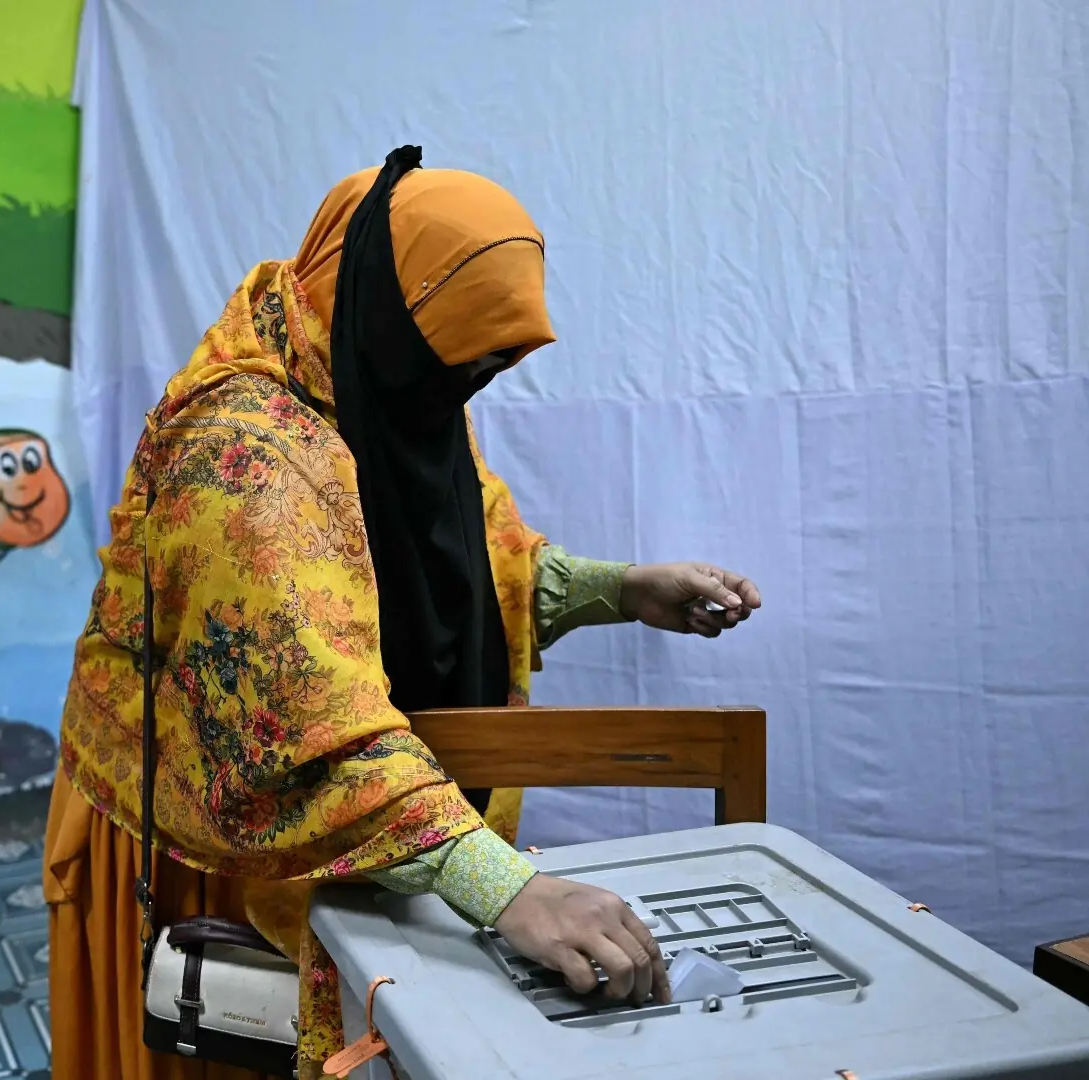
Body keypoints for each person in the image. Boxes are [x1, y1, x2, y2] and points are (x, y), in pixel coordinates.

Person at [43, 147, 763, 1080]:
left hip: (357, 816)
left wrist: (619, 589)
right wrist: (513, 893)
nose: (471, 385)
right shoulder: (243, 459)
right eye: (461, 362)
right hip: (221, 847)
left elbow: (449, 574)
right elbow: (302, 732)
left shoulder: (379, 384)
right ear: (387, 310)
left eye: (490, 364)